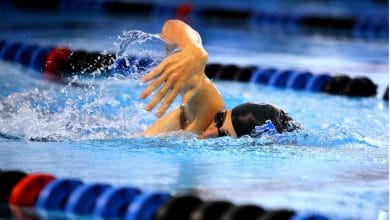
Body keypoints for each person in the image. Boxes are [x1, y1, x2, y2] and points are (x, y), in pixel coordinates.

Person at [140, 20, 295, 139]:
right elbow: (171, 27)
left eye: (224, 135)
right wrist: (194, 49)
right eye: (219, 119)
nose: (209, 131)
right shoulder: (209, 111)